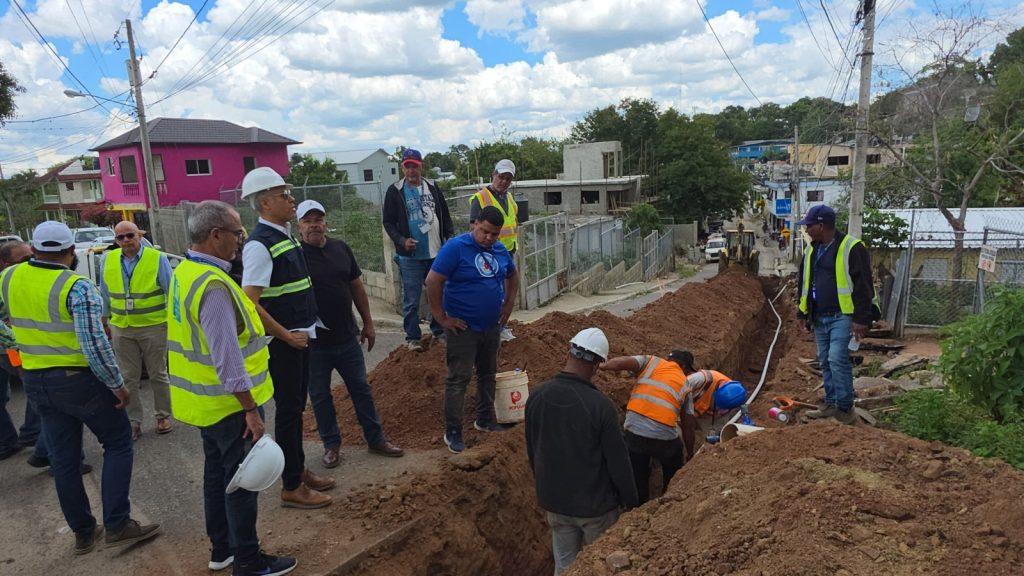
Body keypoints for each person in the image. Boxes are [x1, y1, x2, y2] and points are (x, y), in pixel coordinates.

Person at [0, 221, 160, 554]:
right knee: (117, 442)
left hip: (35, 380)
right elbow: (94, 345)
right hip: (79, 380)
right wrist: (118, 385)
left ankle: (84, 532)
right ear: (71, 252)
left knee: (63, 459)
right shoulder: (76, 285)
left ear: (34, 249)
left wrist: (17, 344)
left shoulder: (8, 278)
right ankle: (117, 524)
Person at [168, 200, 296, 575]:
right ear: (215, 235)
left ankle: (222, 549)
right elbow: (227, 357)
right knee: (243, 480)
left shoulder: (185, 271)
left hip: (204, 403)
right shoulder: (214, 287)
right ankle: (248, 560)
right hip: (230, 405)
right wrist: (251, 409)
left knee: (217, 477)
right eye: (237, 233)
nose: (241, 240)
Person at [241, 166, 334, 509]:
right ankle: (292, 485)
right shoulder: (259, 246)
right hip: (284, 344)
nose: (290, 199)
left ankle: (296, 470)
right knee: (290, 410)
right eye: (284, 195)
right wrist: (285, 336)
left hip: (300, 338)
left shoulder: (283, 235)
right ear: (265, 202)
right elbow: (250, 304)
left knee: (295, 409)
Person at [296, 200, 404, 468]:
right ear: (299, 226)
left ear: (325, 222)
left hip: (347, 338)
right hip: (314, 344)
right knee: (320, 396)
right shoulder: (294, 256)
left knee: (362, 390)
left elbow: (356, 287)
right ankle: (331, 445)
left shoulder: (340, 248)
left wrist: (368, 323)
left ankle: (376, 438)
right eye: (308, 221)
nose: (314, 225)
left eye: (318, 219)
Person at [525, 328, 638, 576]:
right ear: (597, 364)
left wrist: (545, 489)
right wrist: (632, 503)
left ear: (569, 352)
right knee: (598, 566)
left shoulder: (536, 397)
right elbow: (618, 463)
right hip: (596, 508)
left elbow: (533, 451)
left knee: (565, 566)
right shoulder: (600, 406)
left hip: (555, 504)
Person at [425, 205, 520, 454]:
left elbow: (513, 274)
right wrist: (441, 317)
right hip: (463, 328)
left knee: (488, 374)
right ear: (474, 225)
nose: (489, 238)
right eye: (485, 232)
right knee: (458, 379)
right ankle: (453, 431)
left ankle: (485, 419)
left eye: (494, 234)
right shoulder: (455, 248)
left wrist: (508, 304)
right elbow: (433, 281)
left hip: (491, 327)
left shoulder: (499, 250)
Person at [795, 205, 873, 425]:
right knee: (825, 361)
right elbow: (805, 284)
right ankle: (830, 404)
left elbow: (863, 285)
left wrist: (861, 319)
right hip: (819, 316)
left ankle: (845, 409)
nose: (807, 229)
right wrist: (802, 313)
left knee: (836, 359)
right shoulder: (812, 250)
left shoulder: (852, 248)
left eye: (809, 226)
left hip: (843, 315)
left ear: (821, 226)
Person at [99, 220, 173, 441]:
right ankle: (133, 422)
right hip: (122, 327)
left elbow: (171, 290)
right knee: (128, 377)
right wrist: (104, 319)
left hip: (153, 325)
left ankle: (163, 416)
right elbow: (104, 292)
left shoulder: (157, 258)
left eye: (130, 235)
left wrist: (175, 322)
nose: (125, 241)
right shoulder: (108, 259)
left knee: (158, 373)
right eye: (120, 238)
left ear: (139, 235)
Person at [599, 349, 697, 504]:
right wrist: (690, 453)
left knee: (637, 470)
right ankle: (668, 496)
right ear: (684, 366)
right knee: (674, 463)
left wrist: (603, 366)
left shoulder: (651, 362)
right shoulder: (686, 384)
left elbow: (622, 362)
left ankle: (638, 504)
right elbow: (688, 426)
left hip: (633, 431)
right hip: (664, 440)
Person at [382, 149, 455, 352]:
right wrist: (401, 240)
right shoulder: (395, 191)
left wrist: (449, 237)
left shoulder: (432, 186)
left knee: (437, 295)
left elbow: (445, 214)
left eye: (415, 165)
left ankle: (438, 332)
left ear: (421, 165)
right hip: (411, 256)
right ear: (402, 167)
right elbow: (388, 222)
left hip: (437, 254)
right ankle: (413, 338)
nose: (412, 170)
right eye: (408, 166)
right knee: (411, 300)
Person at [469, 159, 522, 342]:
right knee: (494, 293)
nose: (504, 181)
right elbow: (473, 228)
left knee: (505, 293)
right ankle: (493, 329)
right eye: (501, 177)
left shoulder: (509, 198)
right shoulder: (481, 198)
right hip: (489, 252)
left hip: (507, 252)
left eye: (508, 178)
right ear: (494, 174)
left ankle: (500, 326)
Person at [667, 349, 738, 460]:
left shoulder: (731, 391)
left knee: (717, 444)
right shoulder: (692, 381)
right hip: (702, 412)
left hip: (713, 414)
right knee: (676, 433)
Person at [0, 240, 35, 459]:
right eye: (23, 259)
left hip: (8, 349)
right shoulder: (5, 282)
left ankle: (8, 442)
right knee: (35, 387)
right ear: (5, 262)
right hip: (10, 351)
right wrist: (15, 345)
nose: (30, 263)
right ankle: (31, 433)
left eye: (32, 257)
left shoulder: (22, 279)